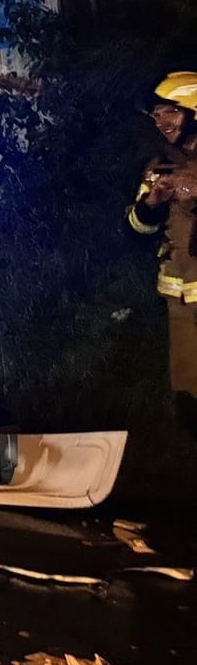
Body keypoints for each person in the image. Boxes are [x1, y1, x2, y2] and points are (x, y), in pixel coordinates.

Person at [127, 71, 197, 432]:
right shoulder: (158, 166)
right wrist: (152, 202)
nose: (161, 122)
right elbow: (136, 230)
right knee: (188, 386)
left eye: (170, 112)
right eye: (155, 115)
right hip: (180, 300)